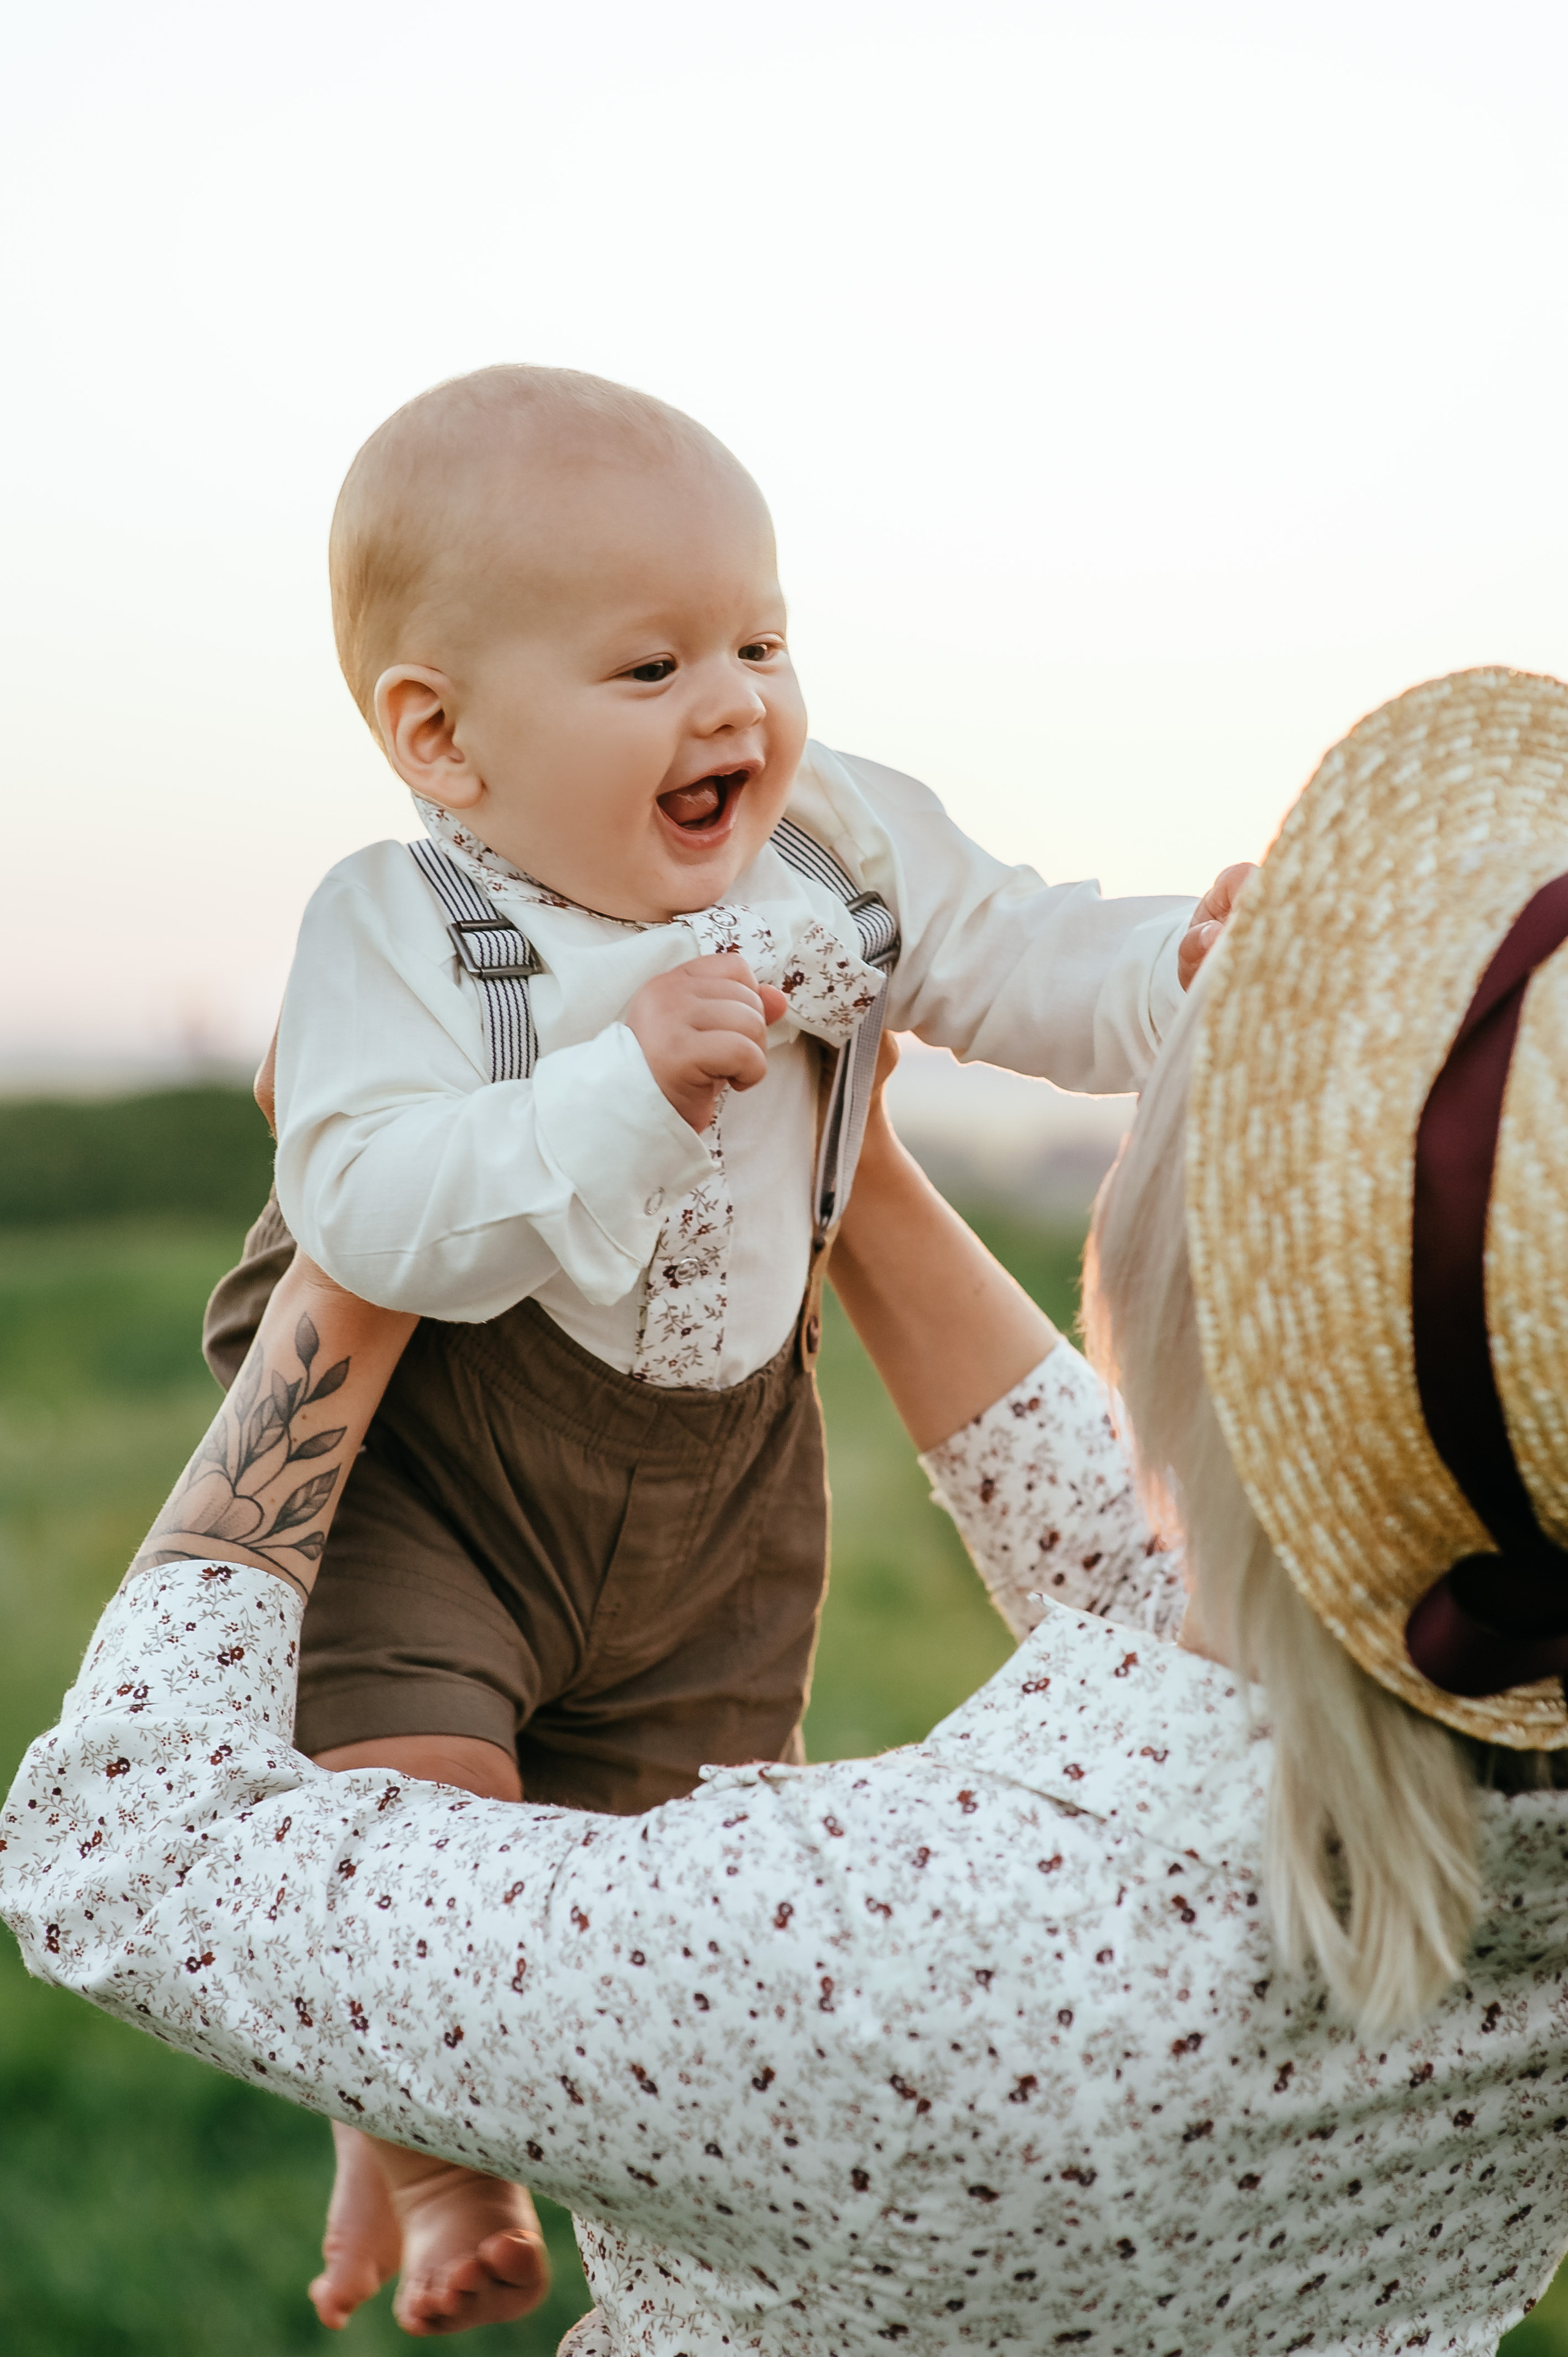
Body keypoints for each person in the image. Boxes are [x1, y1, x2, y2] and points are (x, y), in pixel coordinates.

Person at [11, 666, 1568, 2353]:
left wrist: (360, 1238)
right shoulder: (1469, 1708)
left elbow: (125, 1854)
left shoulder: (878, 1963)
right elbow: (1175, 1584)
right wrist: (850, 1164)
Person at [178, 361, 1246, 2330]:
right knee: (415, 1829)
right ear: (444, 737)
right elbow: (361, 1212)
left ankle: (491, 2155)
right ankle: (424, 2177)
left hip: (728, 1454)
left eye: (762, 638)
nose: (738, 703)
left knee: (656, 1895)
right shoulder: (401, 932)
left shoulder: (834, 845)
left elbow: (1020, 951)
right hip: (448, 1443)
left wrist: (1181, 975)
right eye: (651, 666)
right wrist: (622, 1092)